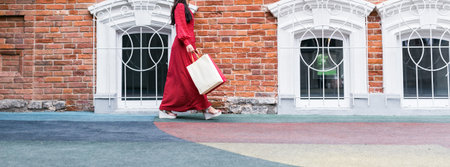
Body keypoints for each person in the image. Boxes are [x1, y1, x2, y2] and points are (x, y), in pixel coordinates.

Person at [159, 0, 222, 120]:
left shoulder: (183, 6)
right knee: (190, 78)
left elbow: (186, 29)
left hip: (186, 47)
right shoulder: (180, 6)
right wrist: (188, 43)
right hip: (182, 47)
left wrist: (192, 47)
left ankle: (166, 108)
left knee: (185, 79)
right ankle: (206, 108)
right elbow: (181, 27)